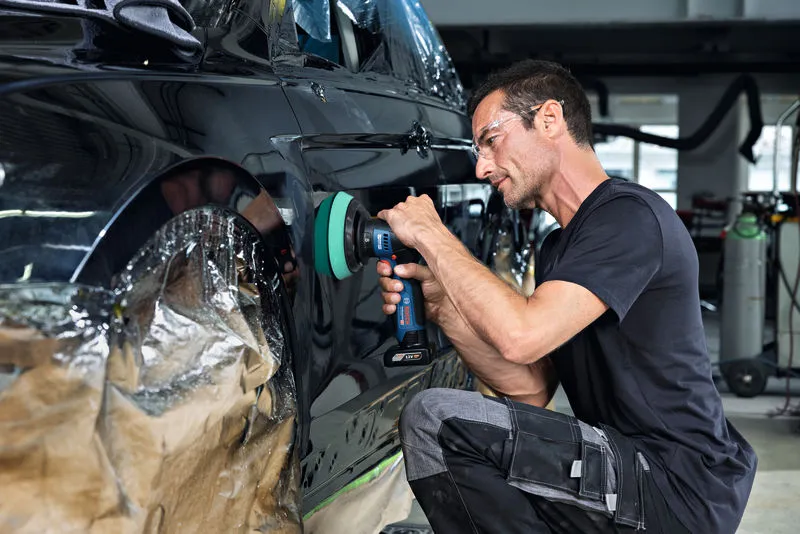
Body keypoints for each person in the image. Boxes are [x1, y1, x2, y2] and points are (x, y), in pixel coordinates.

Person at [375, 60, 757, 534]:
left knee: (436, 418)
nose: (481, 166)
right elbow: (531, 388)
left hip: (672, 484)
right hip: (624, 468)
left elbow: (521, 335)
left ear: (549, 119)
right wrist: (443, 309)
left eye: (491, 140)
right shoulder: (560, 247)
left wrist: (432, 233)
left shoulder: (629, 216)